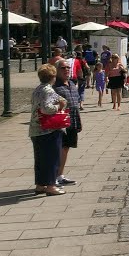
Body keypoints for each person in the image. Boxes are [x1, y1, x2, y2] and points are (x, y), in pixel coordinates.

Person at [29, 63, 67, 196]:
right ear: (53, 77)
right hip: (48, 129)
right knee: (52, 158)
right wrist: (59, 107)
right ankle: (51, 185)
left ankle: (40, 184)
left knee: (40, 159)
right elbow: (47, 108)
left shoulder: (37, 89)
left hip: (35, 129)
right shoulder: (48, 90)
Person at [52, 62, 82, 185]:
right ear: (56, 70)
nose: (66, 70)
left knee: (66, 148)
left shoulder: (72, 83)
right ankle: (53, 177)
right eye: (62, 68)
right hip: (60, 122)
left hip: (72, 121)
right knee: (59, 149)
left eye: (68, 67)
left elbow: (75, 104)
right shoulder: (54, 86)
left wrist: (79, 122)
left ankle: (60, 175)